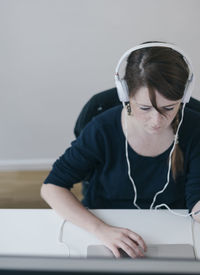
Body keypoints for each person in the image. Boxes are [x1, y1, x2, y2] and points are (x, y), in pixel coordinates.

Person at [41, 42, 200, 258]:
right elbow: (52, 187)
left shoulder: (193, 127)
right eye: (145, 108)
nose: (156, 121)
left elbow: (195, 200)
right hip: (105, 227)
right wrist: (100, 230)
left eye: (169, 108)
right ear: (125, 95)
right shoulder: (102, 129)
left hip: (173, 228)